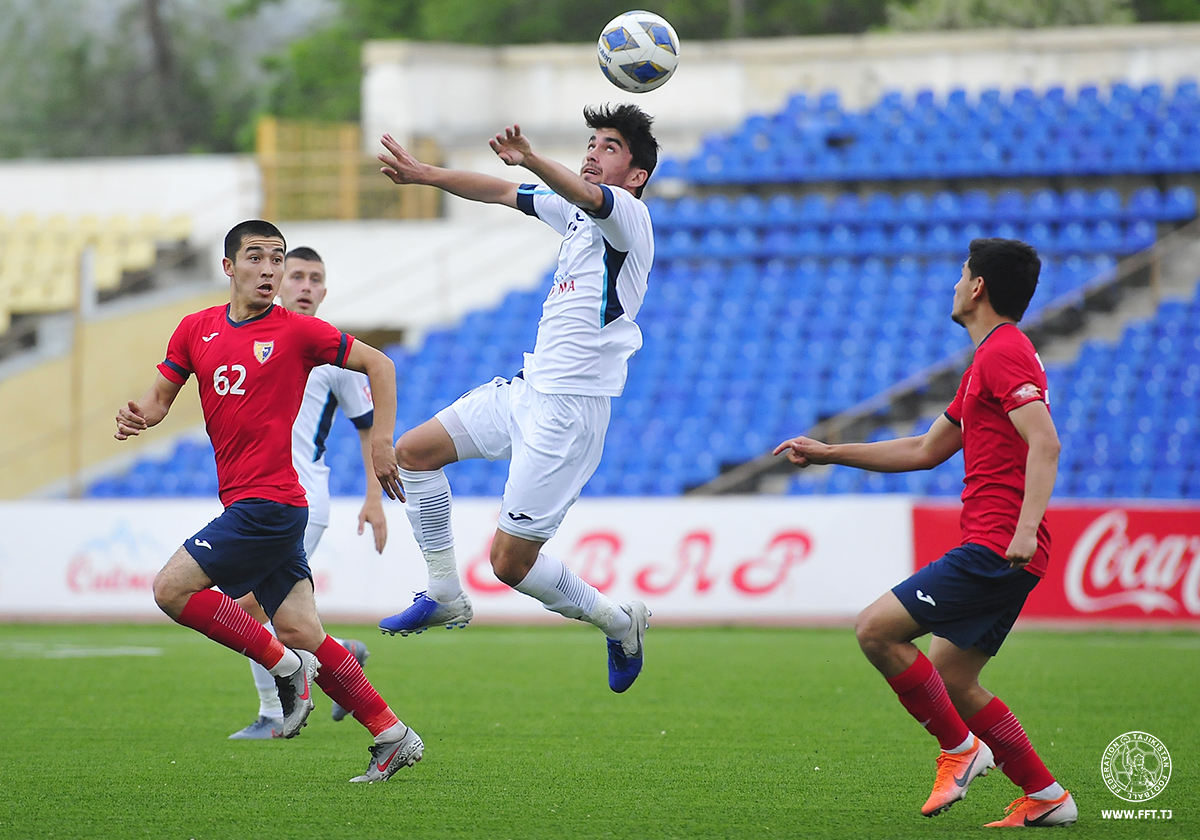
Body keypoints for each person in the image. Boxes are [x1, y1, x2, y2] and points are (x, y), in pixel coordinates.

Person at [774, 239, 1077, 827]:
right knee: (955, 679)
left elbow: (1046, 441)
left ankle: (961, 750)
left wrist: (1024, 528)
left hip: (998, 545)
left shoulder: (1002, 354)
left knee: (876, 631)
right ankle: (1047, 797)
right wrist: (830, 452)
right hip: (1005, 546)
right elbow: (924, 448)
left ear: (979, 287)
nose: (955, 284)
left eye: (962, 275)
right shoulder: (988, 361)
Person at [115, 220, 422, 783]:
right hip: (264, 504)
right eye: (256, 258)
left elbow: (382, 363)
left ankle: (284, 669)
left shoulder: (300, 332)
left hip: (270, 503)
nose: (270, 269)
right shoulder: (195, 330)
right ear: (229, 267)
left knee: (171, 589)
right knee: (305, 630)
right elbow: (160, 400)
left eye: (277, 259)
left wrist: (381, 444)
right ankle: (391, 733)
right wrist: (140, 415)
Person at [374, 104, 655, 692]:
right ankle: (445, 591)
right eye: (590, 143)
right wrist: (428, 175)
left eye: (608, 147)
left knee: (509, 565)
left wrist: (532, 156)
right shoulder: (578, 217)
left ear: (635, 176)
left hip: (570, 415)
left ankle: (617, 622)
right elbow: (504, 191)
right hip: (528, 392)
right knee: (414, 451)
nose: (592, 152)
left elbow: (574, 189)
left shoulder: (626, 215)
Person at [228, 246, 383, 740]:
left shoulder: (332, 351)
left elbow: (367, 425)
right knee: (285, 614)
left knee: (251, 605)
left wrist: (374, 496)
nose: (306, 286)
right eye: (298, 276)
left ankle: (275, 712)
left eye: (316, 279)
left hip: (303, 499)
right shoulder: (255, 338)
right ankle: (343, 662)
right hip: (258, 495)